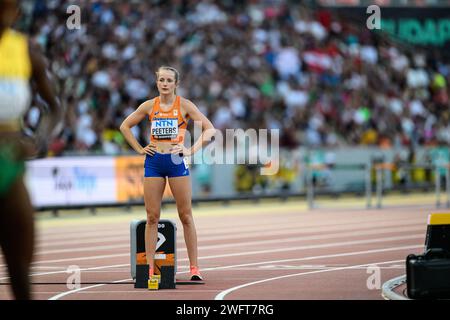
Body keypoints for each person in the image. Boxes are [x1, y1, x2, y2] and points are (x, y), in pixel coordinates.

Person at [120, 66, 215, 282]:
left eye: (169, 80)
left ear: (176, 84)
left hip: (175, 161)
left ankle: (194, 268)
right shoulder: (148, 106)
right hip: (153, 162)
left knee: (186, 215)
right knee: (152, 216)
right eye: (161, 80)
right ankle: (150, 269)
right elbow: (125, 126)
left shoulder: (184, 105)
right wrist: (139, 148)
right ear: (157, 82)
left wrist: (190, 150)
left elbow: (209, 129)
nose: (164, 84)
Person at [0, 0, 62, 300]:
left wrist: (36, 140)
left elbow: (54, 108)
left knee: (20, 262)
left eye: (7, 7)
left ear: (16, 12)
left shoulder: (25, 51)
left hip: (8, 162)